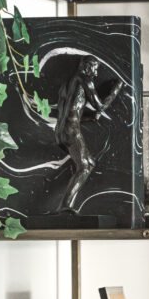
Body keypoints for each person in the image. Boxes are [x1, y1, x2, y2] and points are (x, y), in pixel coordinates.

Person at [55, 56, 123, 212]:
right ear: (86, 67)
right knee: (85, 166)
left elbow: (69, 113)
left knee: (87, 164)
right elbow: (99, 106)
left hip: (60, 131)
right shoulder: (84, 79)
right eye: (95, 68)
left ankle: (65, 204)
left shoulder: (67, 85)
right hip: (72, 131)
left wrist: (89, 117)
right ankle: (64, 205)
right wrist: (116, 90)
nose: (96, 73)